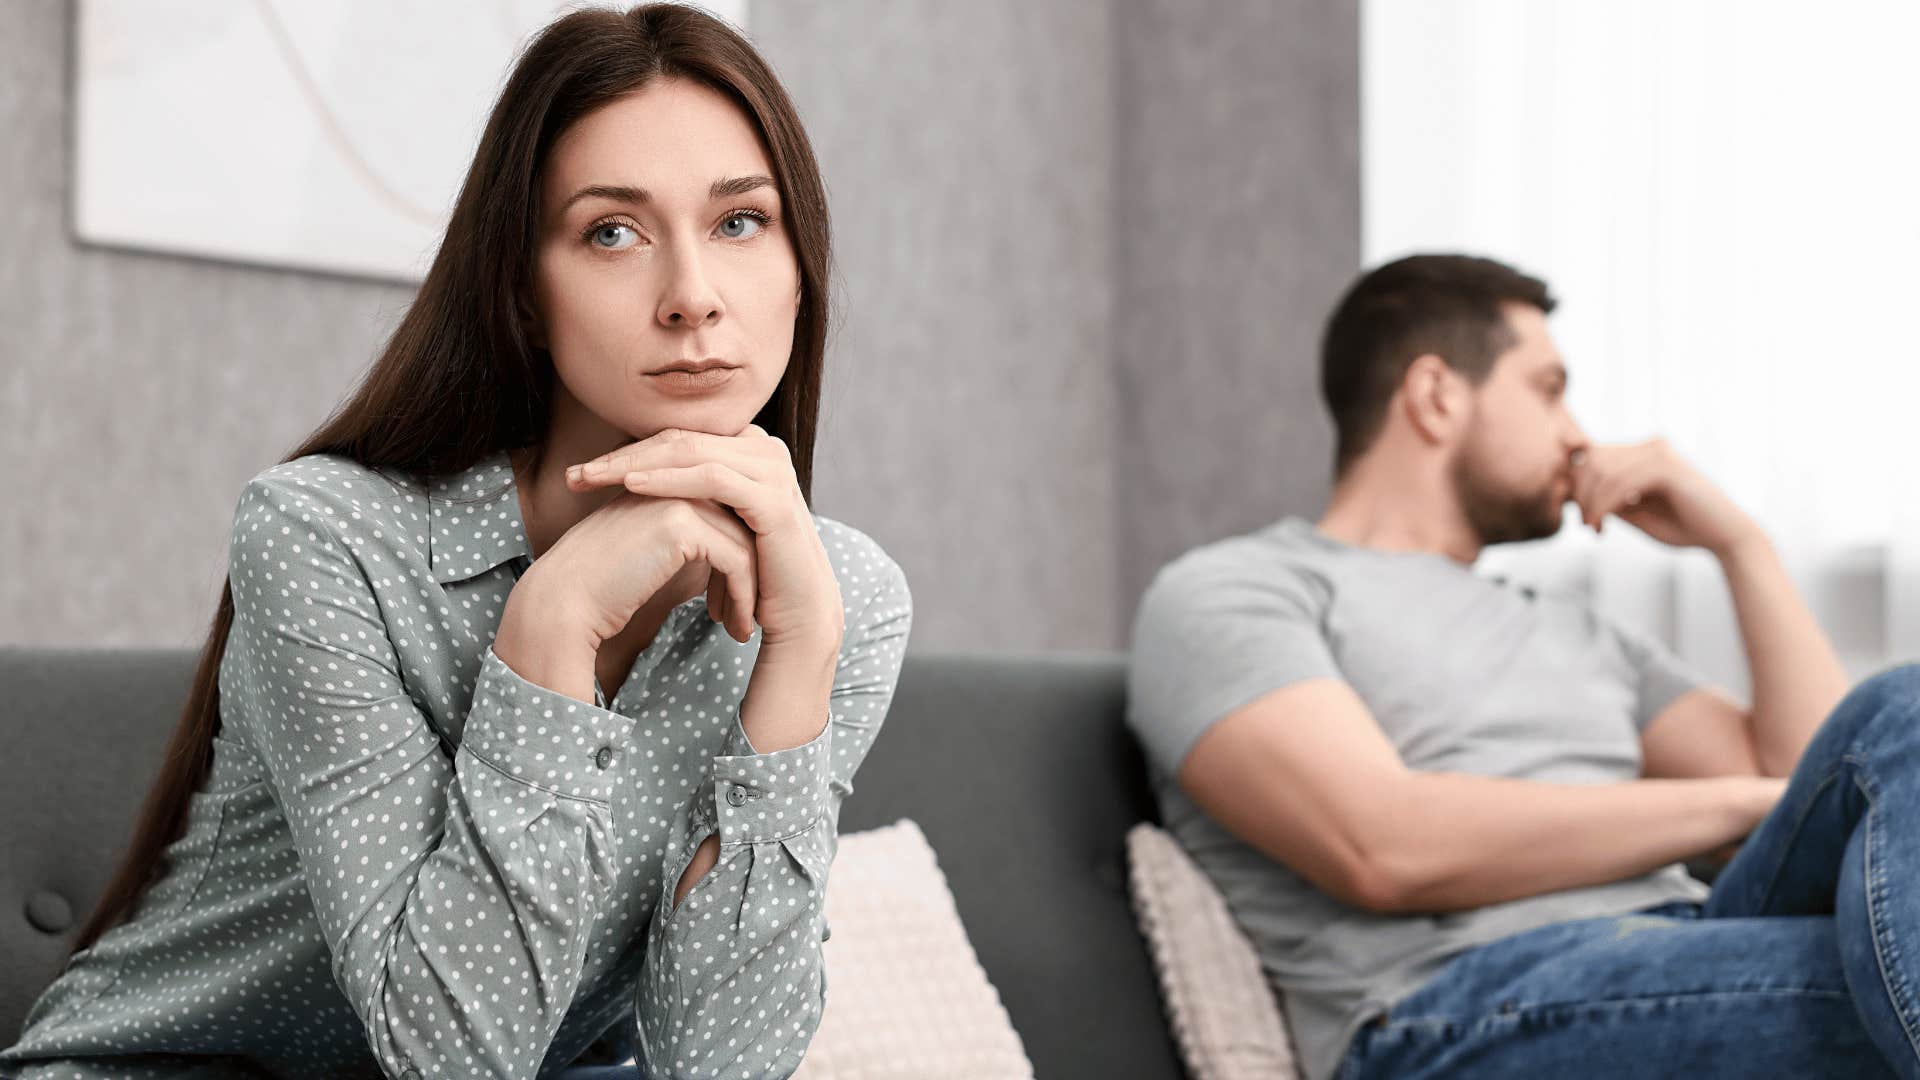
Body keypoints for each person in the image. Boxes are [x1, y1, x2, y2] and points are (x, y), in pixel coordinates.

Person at [0, 6, 910, 1078]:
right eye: (612, 232)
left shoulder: (838, 597)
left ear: (802, 267)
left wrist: (799, 659)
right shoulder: (325, 538)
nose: (694, 299)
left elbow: (718, 1063)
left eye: (740, 223)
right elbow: (453, 1059)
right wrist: (551, 627)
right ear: (524, 293)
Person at [1125, 253, 1920, 1079]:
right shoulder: (1235, 592)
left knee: (1907, 710)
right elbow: (1383, 847)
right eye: (1548, 389)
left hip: (1693, 939)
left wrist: (1740, 546)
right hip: (1463, 1005)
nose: (1577, 432)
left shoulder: (1573, 630)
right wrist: (1742, 804)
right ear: (1436, 396)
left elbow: (1831, 796)